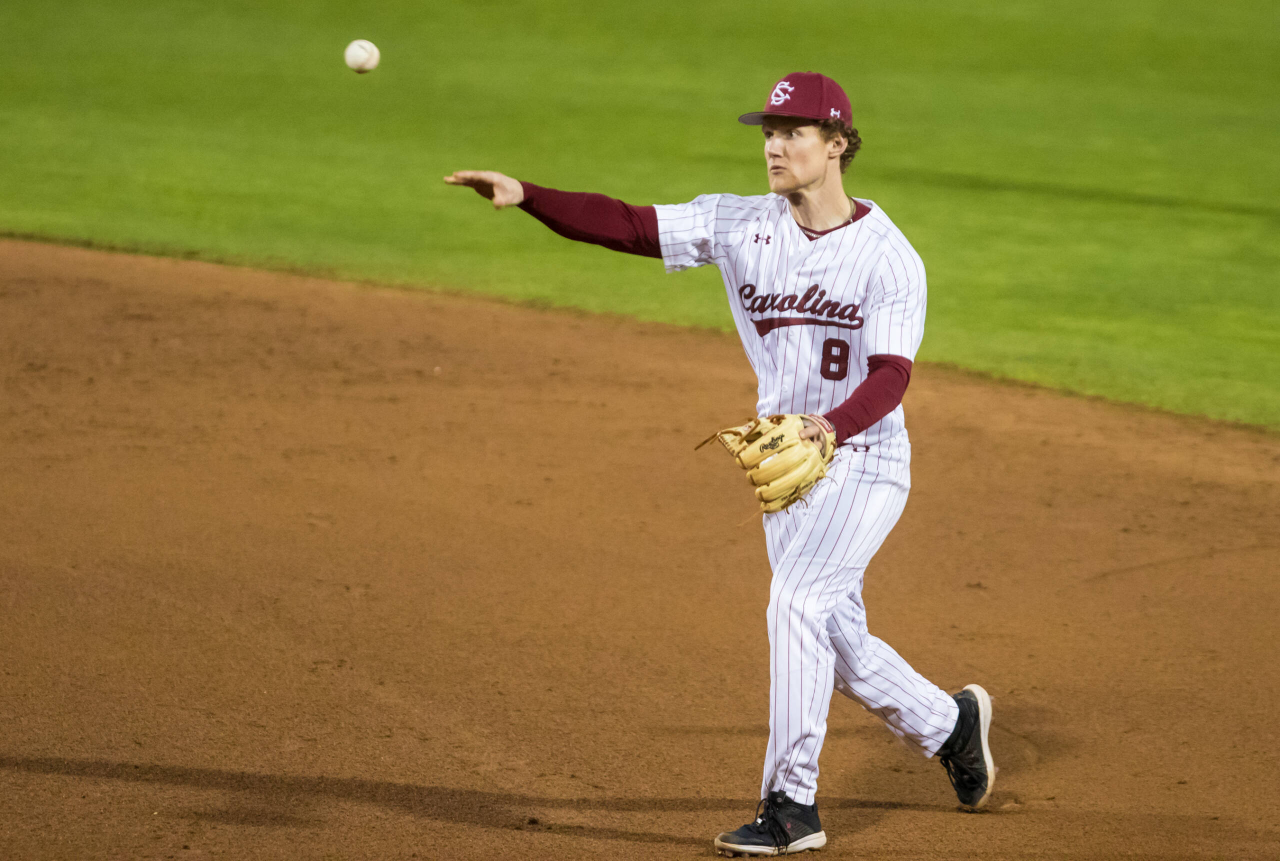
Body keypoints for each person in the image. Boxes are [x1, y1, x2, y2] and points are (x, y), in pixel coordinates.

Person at [445, 71, 995, 857]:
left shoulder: (889, 256)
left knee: (796, 606)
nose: (774, 145)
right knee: (834, 642)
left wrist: (829, 429)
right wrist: (527, 193)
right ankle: (949, 725)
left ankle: (791, 806)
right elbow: (631, 225)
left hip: (865, 458)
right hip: (790, 466)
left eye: (794, 132)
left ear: (837, 145)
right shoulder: (739, 225)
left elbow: (891, 376)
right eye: (769, 131)